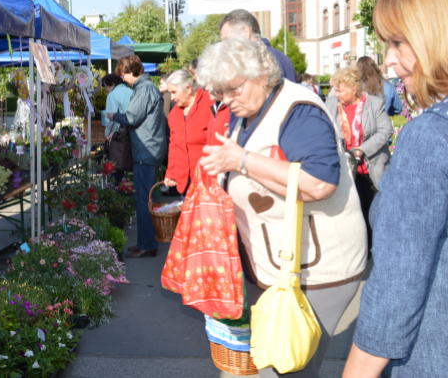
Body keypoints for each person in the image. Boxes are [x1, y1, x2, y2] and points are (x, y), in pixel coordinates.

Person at [197, 37, 367, 378]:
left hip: (319, 269)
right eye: (221, 93)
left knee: (284, 366)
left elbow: (320, 183)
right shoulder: (252, 108)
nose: (227, 101)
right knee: (288, 366)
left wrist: (241, 160)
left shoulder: (298, 109)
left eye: (233, 90)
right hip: (287, 266)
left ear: (262, 75)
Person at [342, 0, 448, 378]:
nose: (389, 60)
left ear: (436, 36)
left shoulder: (432, 137)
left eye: (398, 42)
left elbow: (396, 288)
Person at [325, 66, 391, 249]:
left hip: (371, 169)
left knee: (372, 213)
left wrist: (362, 149)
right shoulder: (331, 105)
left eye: (340, 90)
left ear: (354, 89)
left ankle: (374, 250)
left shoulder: (374, 104)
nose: (336, 94)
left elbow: (385, 131)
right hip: (345, 170)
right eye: (335, 90)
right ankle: (357, 250)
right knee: (351, 214)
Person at [107, 55, 167, 258]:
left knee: (144, 199)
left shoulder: (144, 89)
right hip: (150, 148)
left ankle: (147, 244)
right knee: (148, 197)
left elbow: (132, 118)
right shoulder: (147, 87)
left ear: (132, 72)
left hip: (146, 149)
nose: (122, 79)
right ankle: (147, 241)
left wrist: (115, 115)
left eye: (123, 75)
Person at [163, 68, 213, 195]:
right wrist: (171, 172)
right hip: (184, 181)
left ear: (189, 89)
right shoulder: (174, 114)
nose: (172, 97)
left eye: (174, 92)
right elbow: (173, 145)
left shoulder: (210, 104)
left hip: (208, 180)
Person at [219, 9, 298, 82]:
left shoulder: (256, 60)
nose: (225, 46)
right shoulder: (282, 57)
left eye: (227, 40)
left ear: (246, 32)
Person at [102, 74, 133, 140]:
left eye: (106, 86)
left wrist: (107, 135)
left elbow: (110, 119)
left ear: (113, 84)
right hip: (133, 133)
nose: (105, 90)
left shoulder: (112, 95)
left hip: (119, 136)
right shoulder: (132, 92)